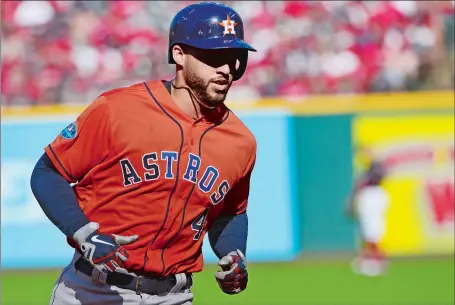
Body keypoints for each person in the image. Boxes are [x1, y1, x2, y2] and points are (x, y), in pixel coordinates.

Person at [30, 2, 257, 304]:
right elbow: (48, 172)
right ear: (179, 54)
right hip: (95, 290)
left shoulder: (240, 141)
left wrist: (233, 253)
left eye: (234, 58)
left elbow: (230, 211)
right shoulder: (118, 109)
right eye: (214, 56)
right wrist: (83, 233)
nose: (225, 69)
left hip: (174, 295)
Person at [346, 156, 390, 277]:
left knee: (373, 240)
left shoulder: (376, 191)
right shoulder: (366, 188)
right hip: (368, 216)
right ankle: (368, 261)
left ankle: (379, 261)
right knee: (368, 239)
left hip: (374, 216)